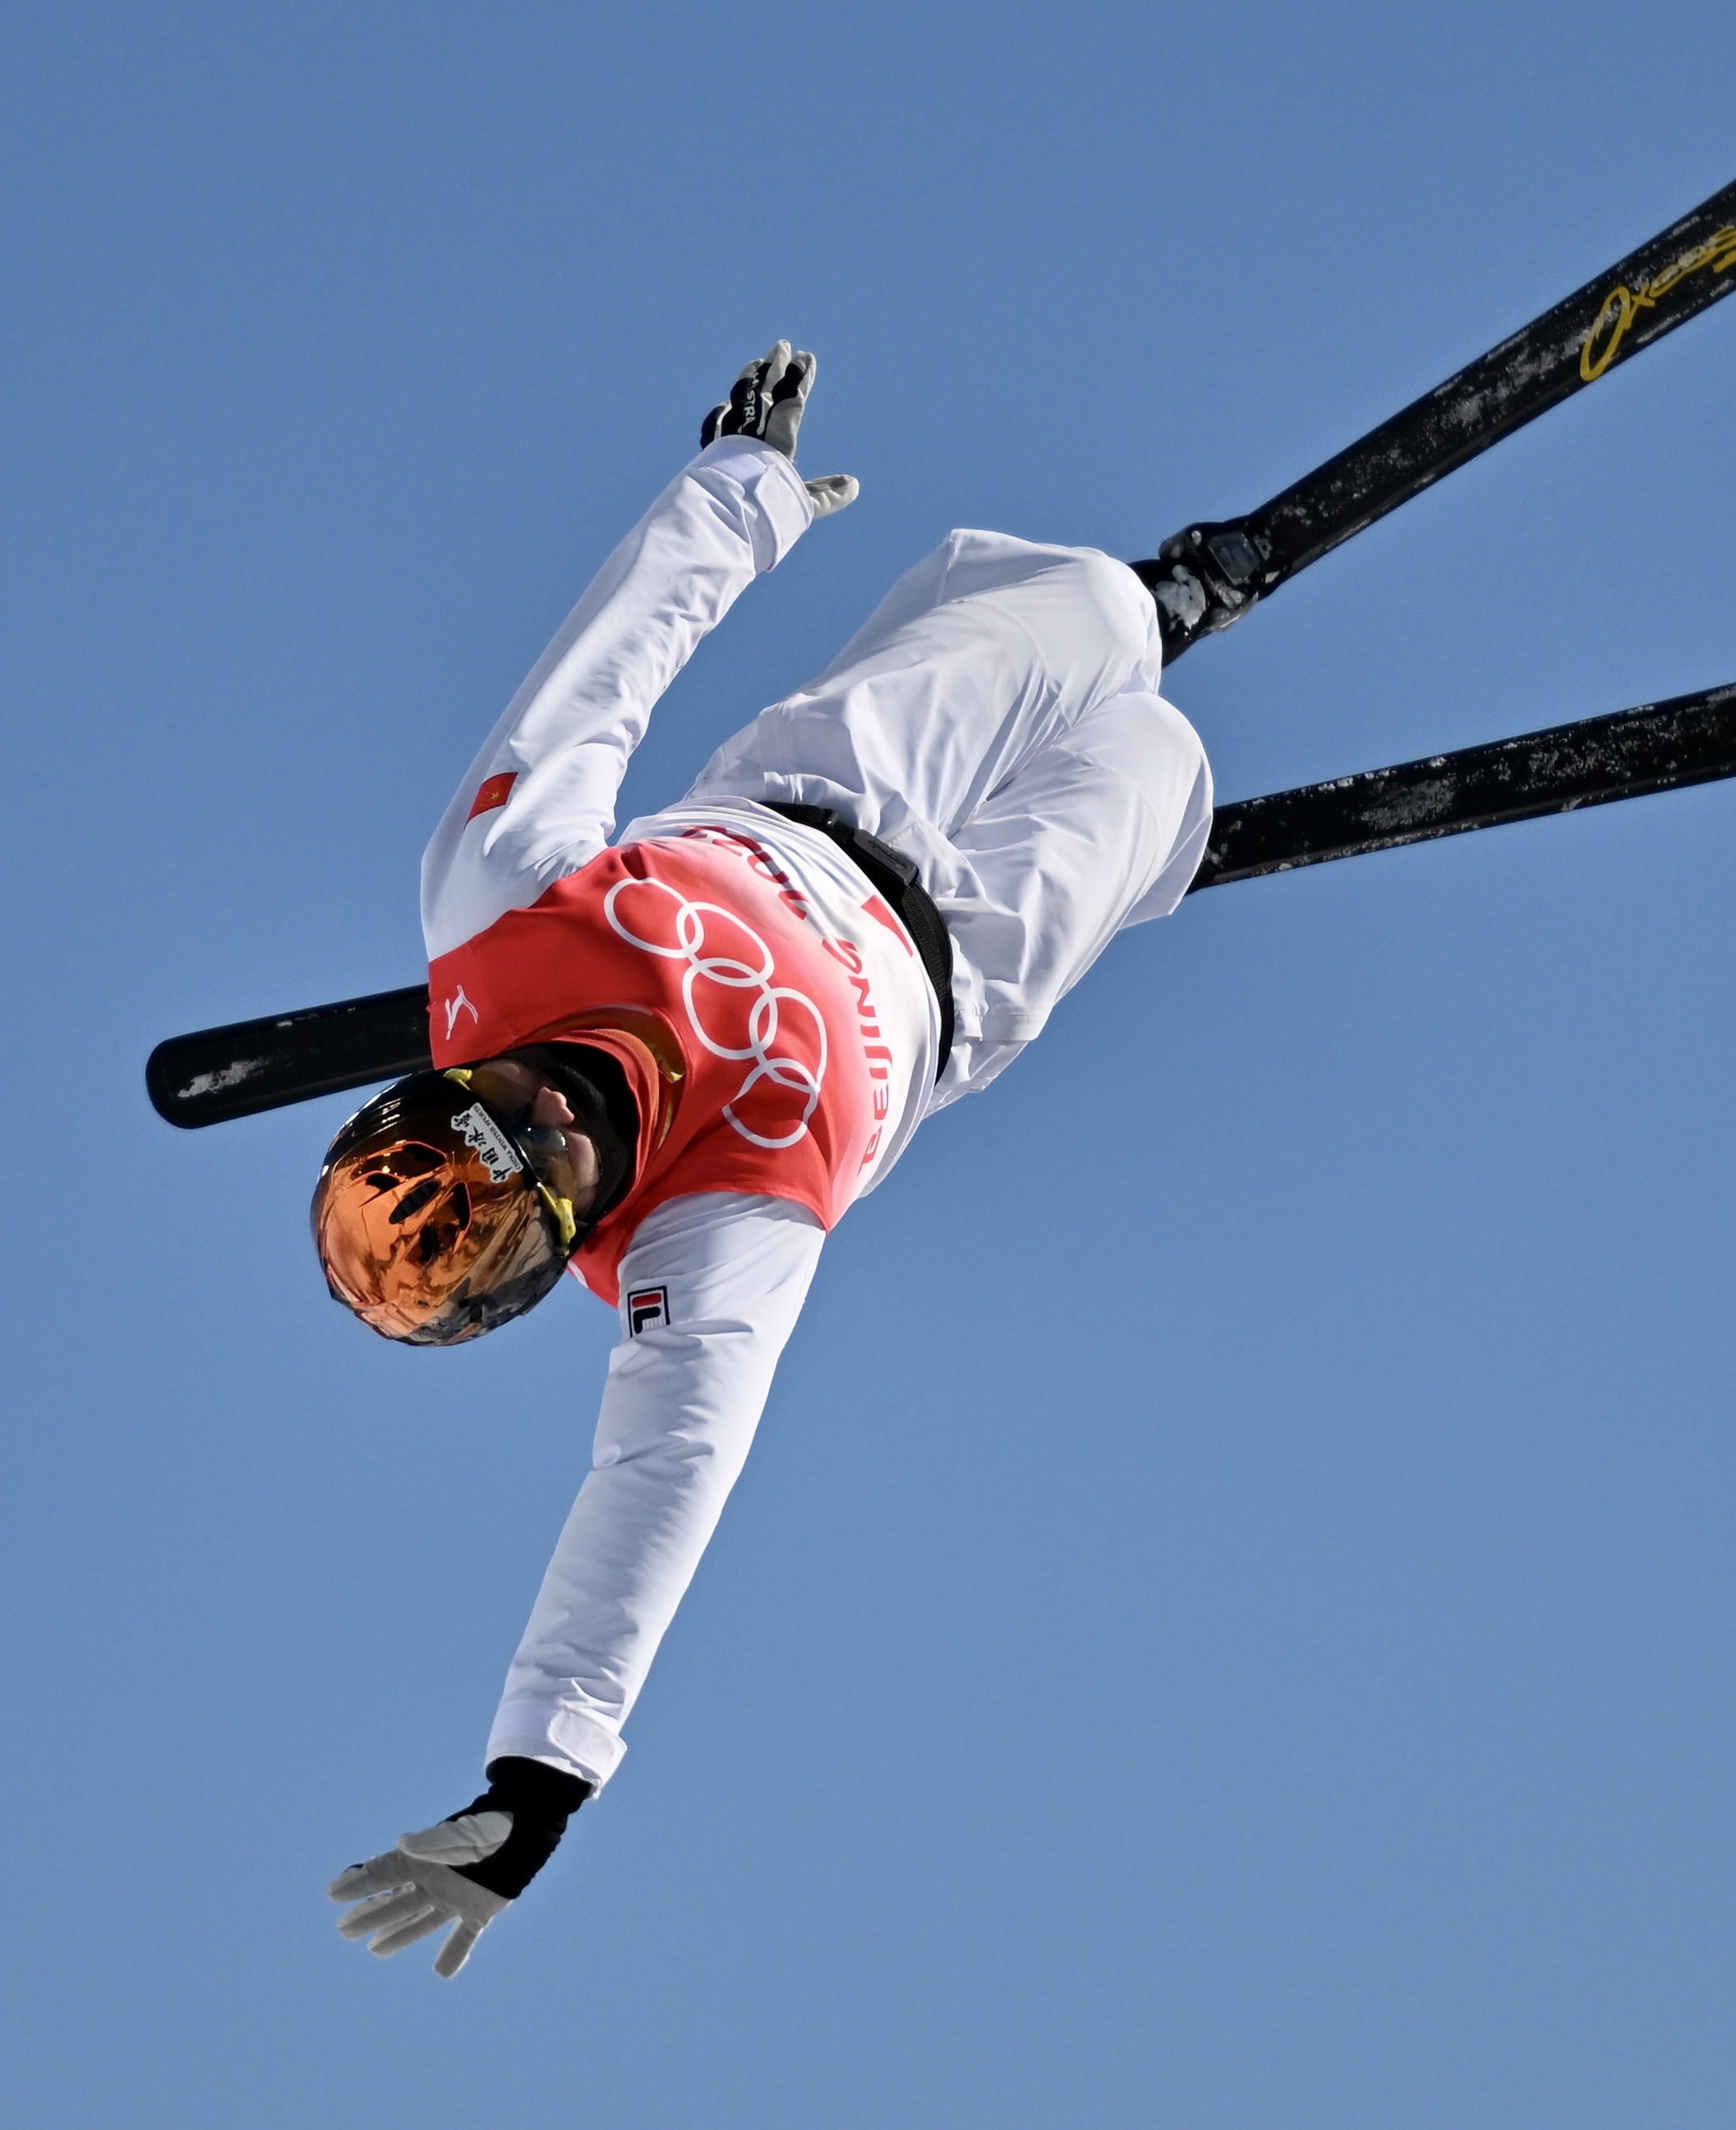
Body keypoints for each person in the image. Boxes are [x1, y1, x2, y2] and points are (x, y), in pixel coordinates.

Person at [321, 343, 1213, 1977]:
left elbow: (594, 682)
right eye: (553, 1184)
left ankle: (1153, 613)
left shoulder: (497, 903)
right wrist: (539, 1775)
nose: (562, 1124)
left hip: (821, 788)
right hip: (959, 969)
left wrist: (729, 497)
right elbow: (657, 1482)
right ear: (572, 1243)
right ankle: (1157, 804)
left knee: (1091, 606)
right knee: (1151, 771)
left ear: (453, 1074)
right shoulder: (699, 1243)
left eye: (506, 1110)